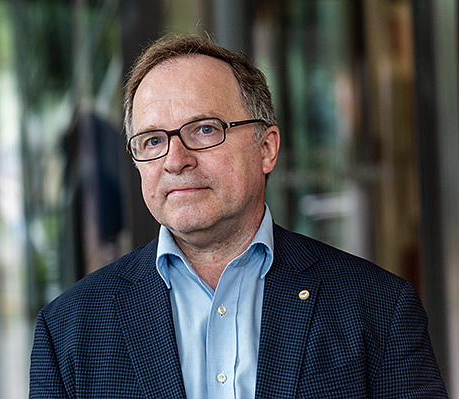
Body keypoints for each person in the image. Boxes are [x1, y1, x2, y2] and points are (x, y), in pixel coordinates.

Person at [29, 34, 447, 398]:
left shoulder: (378, 309)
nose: (175, 159)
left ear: (266, 149)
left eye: (205, 129)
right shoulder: (67, 331)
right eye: (153, 140)